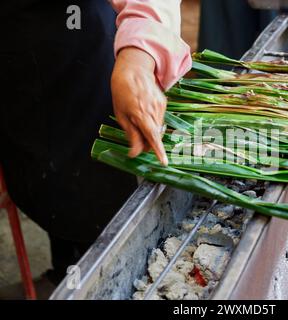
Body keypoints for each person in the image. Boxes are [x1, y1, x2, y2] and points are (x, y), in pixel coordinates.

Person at [0, 0, 191, 295]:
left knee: (99, 200)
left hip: (87, 59)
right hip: (20, 66)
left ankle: (111, 282)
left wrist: (139, 57)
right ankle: (66, 274)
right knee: (47, 189)